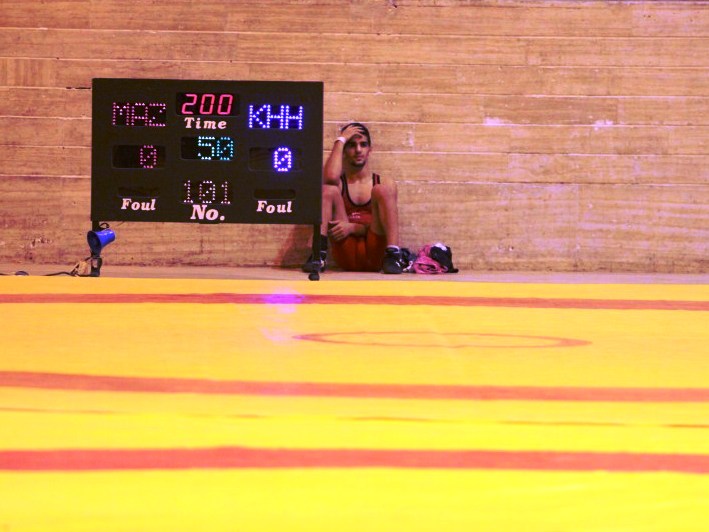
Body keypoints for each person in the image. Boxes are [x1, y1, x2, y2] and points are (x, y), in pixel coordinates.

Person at [303, 122, 407, 274]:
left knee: (383, 190)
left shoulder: (383, 182)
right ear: (344, 151)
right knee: (328, 190)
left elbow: (384, 224)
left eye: (363, 144)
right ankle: (318, 255)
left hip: (376, 253)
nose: (358, 150)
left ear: (370, 149)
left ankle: (393, 254)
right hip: (347, 252)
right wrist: (340, 140)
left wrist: (353, 227)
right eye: (351, 145)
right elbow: (330, 178)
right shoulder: (340, 184)